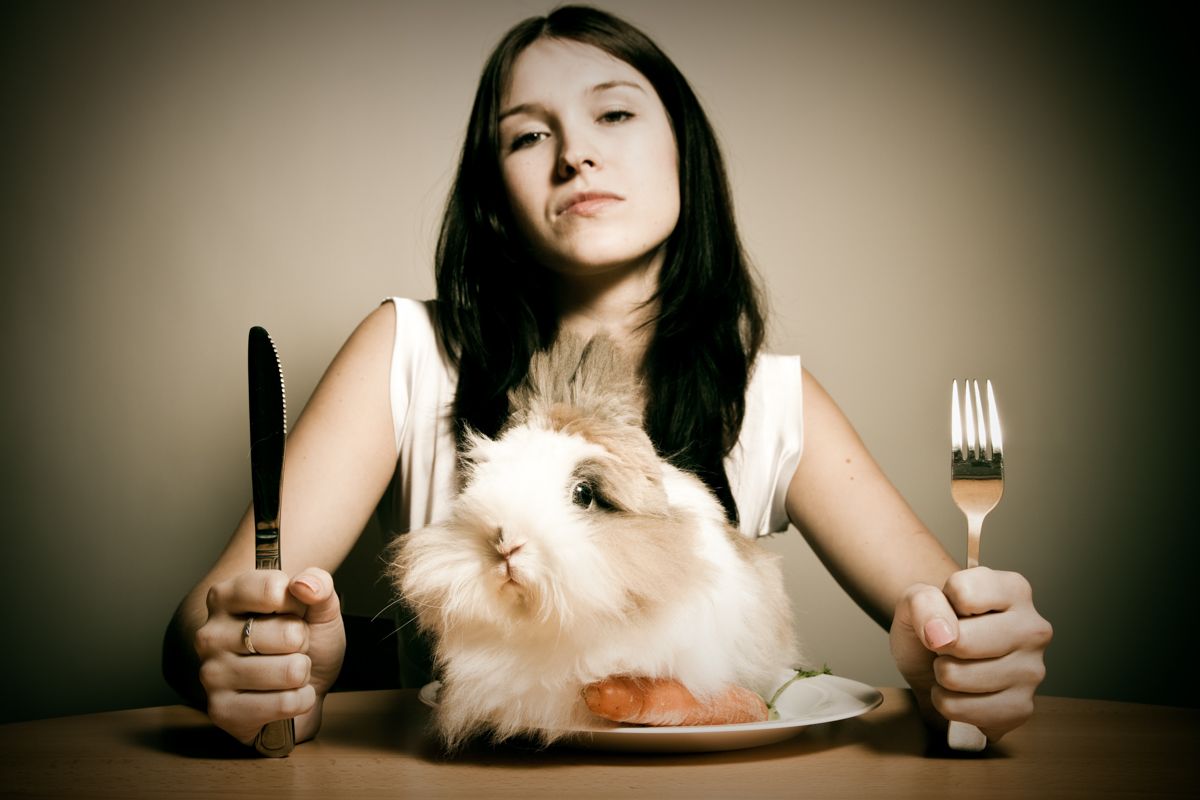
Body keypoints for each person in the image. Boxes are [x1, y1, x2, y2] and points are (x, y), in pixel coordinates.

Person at [163, 5, 1051, 750]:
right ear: (496, 196)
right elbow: (194, 629)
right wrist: (256, 657)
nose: (574, 155)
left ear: (684, 153)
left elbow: (952, 628)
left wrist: (966, 656)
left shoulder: (772, 398)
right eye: (527, 135)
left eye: (614, 115)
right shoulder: (408, 353)